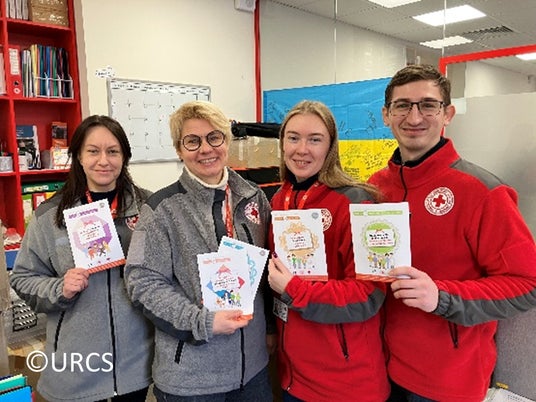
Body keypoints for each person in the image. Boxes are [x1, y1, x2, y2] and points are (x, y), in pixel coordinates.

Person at [368, 64, 536, 402]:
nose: (414, 116)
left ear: (447, 114)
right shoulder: (374, 188)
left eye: (428, 105)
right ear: (386, 115)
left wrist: (441, 296)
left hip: (448, 381)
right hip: (380, 367)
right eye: (402, 105)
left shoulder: (483, 192)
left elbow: (526, 284)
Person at [124, 100, 274, 402]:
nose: (206, 149)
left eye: (214, 137)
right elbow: (142, 284)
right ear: (179, 150)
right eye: (192, 141)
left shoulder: (254, 197)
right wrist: (202, 322)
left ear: (226, 141)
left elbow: (267, 272)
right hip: (192, 381)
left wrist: (269, 328)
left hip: (253, 371)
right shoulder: (161, 210)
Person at [10, 115, 153, 402]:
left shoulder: (149, 207)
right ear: (78, 156)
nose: (103, 161)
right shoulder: (49, 216)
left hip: (137, 365)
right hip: (77, 367)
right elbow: (23, 278)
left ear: (124, 157)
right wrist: (58, 288)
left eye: (113, 151)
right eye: (93, 151)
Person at [267, 100, 389, 402]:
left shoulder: (356, 201)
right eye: (293, 138)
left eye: (315, 139)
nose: (302, 149)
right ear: (282, 143)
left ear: (330, 146)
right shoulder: (279, 199)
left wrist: (295, 290)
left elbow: (369, 294)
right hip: (293, 377)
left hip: (345, 384)